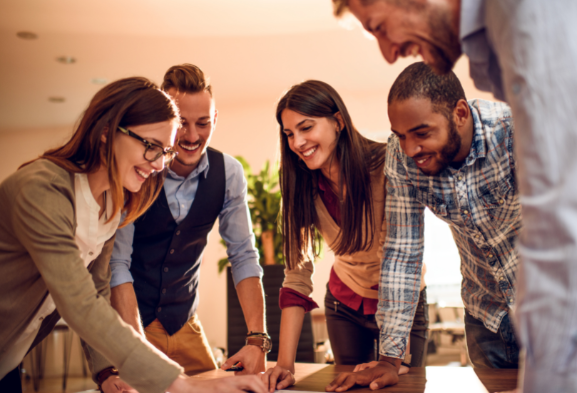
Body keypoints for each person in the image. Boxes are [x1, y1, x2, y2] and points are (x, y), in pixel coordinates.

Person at [331, 0, 577, 392]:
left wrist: (576, 368)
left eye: (378, 26)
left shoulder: (528, 6)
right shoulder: (501, 42)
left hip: (552, 308)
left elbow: (570, 223)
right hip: (489, 319)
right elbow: (403, 252)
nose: (389, 53)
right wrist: (392, 355)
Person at [0, 77, 267, 393]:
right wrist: (181, 384)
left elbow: (98, 289)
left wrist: (105, 372)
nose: (158, 165)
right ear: (106, 131)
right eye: (151, 147)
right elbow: (79, 303)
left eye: (164, 152)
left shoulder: (113, 202)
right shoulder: (40, 189)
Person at [261, 80, 428, 392]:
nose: (297, 142)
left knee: (399, 387)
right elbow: (297, 276)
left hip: (402, 303)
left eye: (305, 127)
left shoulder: (387, 165)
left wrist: (392, 359)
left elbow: (399, 259)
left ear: (338, 122)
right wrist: (284, 365)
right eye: (289, 134)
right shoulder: (301, 185)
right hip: (344, 304)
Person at [107, 64, 268, 389]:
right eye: (182, 124)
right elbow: (117, 265)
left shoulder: (230, 174)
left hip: (186, 324)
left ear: (215, 119)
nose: (192, 136)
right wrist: (135, 351)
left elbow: (243, 255)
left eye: (203, 123)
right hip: (133, 322)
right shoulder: (137, 171)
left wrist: (256, 339)